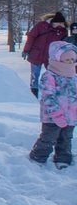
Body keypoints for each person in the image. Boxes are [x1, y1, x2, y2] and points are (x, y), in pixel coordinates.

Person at [29, 41, 76, 169]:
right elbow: (48, 98)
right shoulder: (49, 76)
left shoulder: (73, 76)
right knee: (48, 138)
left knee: (66, 139)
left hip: (70, 117)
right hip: (52, 118)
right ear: (58, 59)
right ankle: (38, 156)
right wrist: (56, 115)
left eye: (73, 59)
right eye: (67, 59)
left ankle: (63, 158)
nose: (71, 62)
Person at [23, 13, 67, 99]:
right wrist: (26, 49)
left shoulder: (62, 31)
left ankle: (51, 92)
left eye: (62, 24)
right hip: (37, 54)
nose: (60, 25)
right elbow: (31, 37)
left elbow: (62, 44)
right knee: (35, 75)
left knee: (52, 75)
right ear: (53, 22)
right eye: (59, 23)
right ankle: (33, 93)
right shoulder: (41, 26)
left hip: (50, 57)